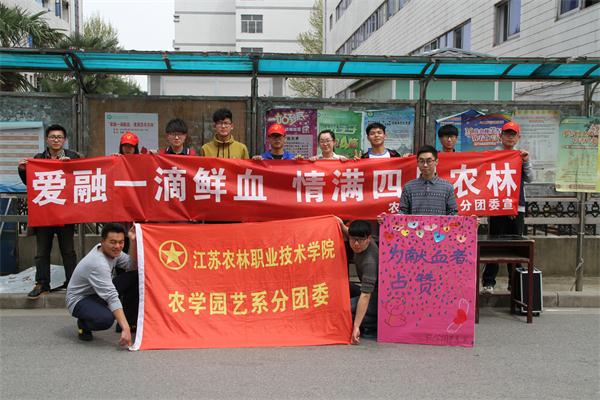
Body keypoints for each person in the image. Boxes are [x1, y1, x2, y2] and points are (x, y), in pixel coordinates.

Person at [17, 124, 81, 298]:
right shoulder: (38, 158)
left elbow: (82, 178)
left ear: (64, 140)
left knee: (68, 251)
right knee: (41, 252)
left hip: (65, 214)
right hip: (45, 213)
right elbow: (30, 182)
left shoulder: (73, 157)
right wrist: (22, 170)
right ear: (47, 139)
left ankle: (72, 283)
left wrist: (71, 167)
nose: (56, 140)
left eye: (59, 137)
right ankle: (42, 283)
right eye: (52, 137)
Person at [482, 121, 534, 295]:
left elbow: (531, 178)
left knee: (516, 247)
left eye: (513, 134)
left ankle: (515, 284)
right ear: (501, 136)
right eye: (507, 134)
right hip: (497, 206)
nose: (510, 137)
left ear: (518, 137)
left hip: (517, 207)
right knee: (493, 245)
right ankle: (488, 282)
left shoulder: (521, 155)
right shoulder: (493, 155)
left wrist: (526, 162)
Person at [66, 223, 139, 345]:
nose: (117, 246)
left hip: (97, 292)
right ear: (103, 241)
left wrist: (133, 241)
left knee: (135, 276)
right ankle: (83, 324)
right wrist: (125, 328)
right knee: (106, 319)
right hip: (79, 300)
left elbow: (131, 266)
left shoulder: (110, 251)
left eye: (121, 242)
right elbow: (111, 296)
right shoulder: (98, 263)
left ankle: (129, 321)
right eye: (113, 242)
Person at [337, 219, 378, 345]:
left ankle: (371, 325)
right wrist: (339, 223)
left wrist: (356, 327)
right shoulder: (359, 238)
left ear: (368, 239)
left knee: (342, 308)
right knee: (340, 286)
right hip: (366, 293)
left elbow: (365, 295)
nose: (355, 244)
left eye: (359, 240)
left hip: (377, 299)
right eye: (352, 239)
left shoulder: (369, 262)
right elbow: (348, 231)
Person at [398, 144, 458, 216]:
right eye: (421, 161)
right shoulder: (408, 187)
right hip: (414, 224)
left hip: (440, 224)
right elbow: (402, 213)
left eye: (429, 161)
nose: (425, 165)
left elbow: (453, 213)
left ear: (436, 162)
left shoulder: (448, 187)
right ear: (417, 163)